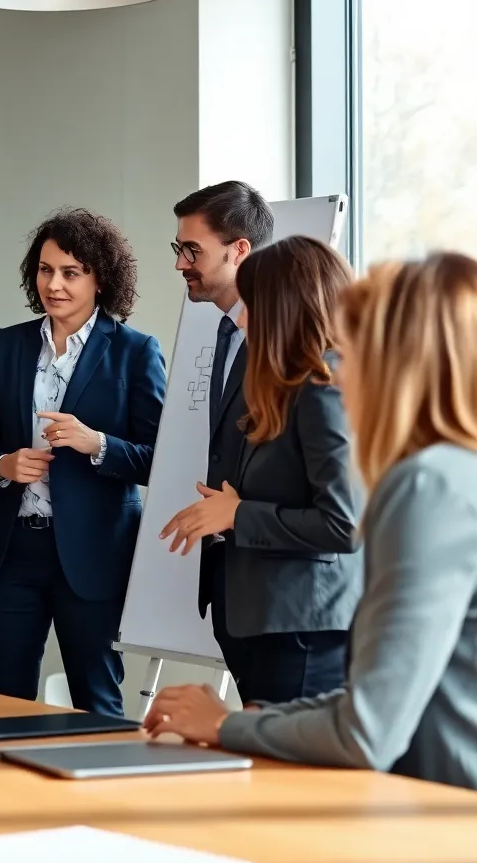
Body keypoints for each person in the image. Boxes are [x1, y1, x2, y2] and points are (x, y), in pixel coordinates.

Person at [145, 253, 477, 790]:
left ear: (401, 361)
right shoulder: (453, 474)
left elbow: (367, 730)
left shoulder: (428, 485)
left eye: (356, 347)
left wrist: (230, 724)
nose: (342, 373)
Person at [0, 208, 166, 716]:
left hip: (95, 555)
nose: (54, 284)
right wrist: (2, 466)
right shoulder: (8, 345)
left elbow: (161, 459)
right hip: (14, 552)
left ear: (101, 279)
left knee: (97, 701)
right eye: (46, 270)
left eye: (71, 273)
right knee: (3, 702)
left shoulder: (136, 352)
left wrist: (97, 443)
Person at [161, 236, 362, 703]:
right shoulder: (285, 384)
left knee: (289, 774)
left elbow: (346, 523)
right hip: (270, 621)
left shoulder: (323, 386)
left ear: (285, 306)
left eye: (252, 303)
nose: (244, 317)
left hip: (304, 628)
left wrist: (237, 514)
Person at [169, 181, 274, 691]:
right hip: (232, 585)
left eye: (193, 250)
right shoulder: (222, 328)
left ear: (239, 251)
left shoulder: (285, 344)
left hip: (278, 598)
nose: (180, 263)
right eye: (179, 248)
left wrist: (239, 513)